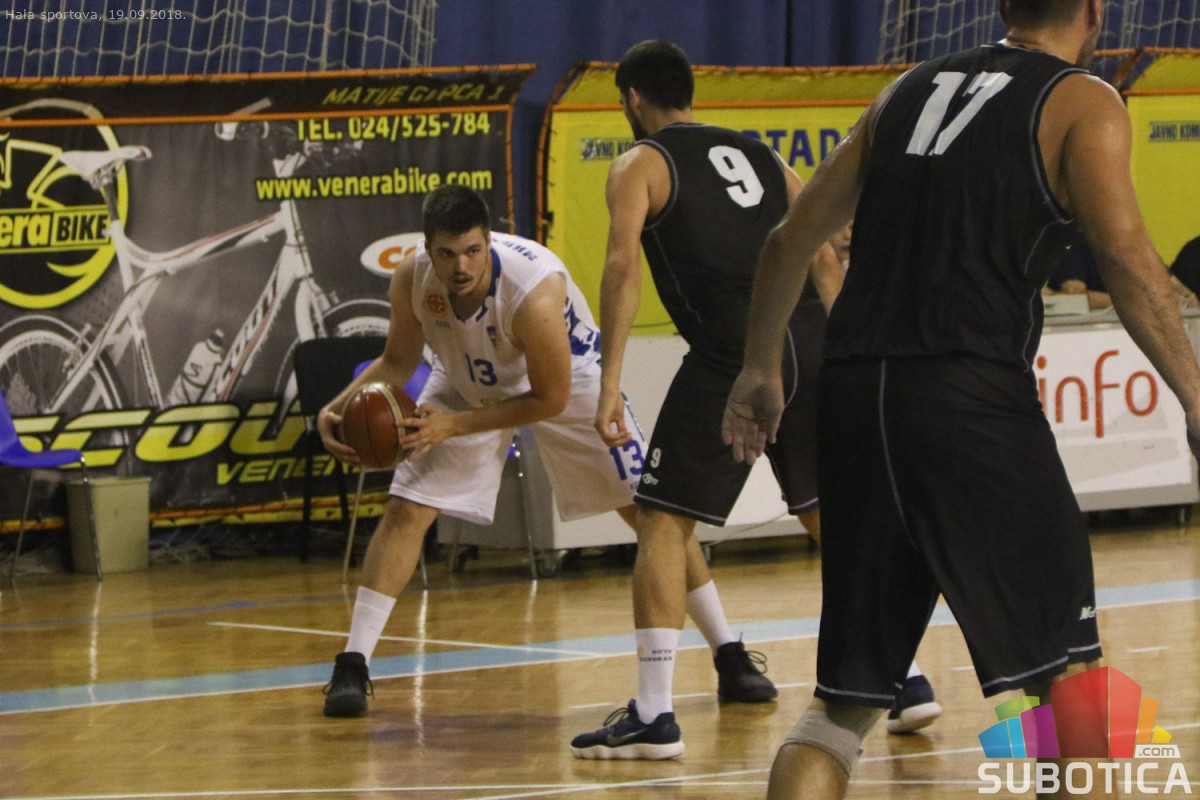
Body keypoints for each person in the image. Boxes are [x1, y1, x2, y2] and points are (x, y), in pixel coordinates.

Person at [723, 0, 1200, 797]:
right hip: (967, 398)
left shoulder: (906, 89)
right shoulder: (1083, 100)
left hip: (856, 395)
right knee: (1070, 684)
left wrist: (759, 370)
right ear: (1095, 12)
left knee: (841, 709)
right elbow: (1126, 259)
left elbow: (788, 240)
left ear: (1006, 6)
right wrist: (1195, 395)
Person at [316, 185, 767, 720]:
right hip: (464, 380)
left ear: (488, 241)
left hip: (569, 382)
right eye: (447, 254)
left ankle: (728, 653)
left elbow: (548, 398)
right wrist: (336, 406)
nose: (461, 267)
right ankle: (353, 663)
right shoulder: (413, 277)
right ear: (427, 249)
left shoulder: (532, 288)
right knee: (408, 507)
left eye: (472, 251)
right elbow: (397, 359)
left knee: (652, 514)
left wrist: (454, 425)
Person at [570, 40, 845, 761]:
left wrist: (608, 382)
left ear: (632, 99)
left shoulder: (641, 163)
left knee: (663, 521)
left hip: (736, 351)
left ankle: (654, 713)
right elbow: (822, 253)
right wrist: (847, 354)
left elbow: (622, 268)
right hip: (813, 340)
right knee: (830, 516)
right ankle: (901, 678)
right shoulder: (762, 154)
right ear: (690, 91)